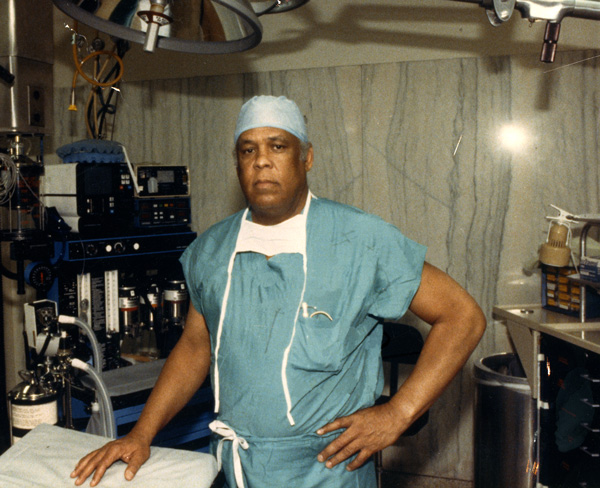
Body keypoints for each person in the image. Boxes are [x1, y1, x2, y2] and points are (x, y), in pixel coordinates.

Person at [71, 95, 486, 488]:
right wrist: (141, 434)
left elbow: (462, 316)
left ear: (306, 156)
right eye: (247, 150)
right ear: (237, 164)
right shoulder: (210, 252)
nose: (262, 161)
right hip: (239, 468)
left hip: (328, 469)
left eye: (278, 146)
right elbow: (197, 345)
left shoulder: (361, 241)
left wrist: (398, 412)